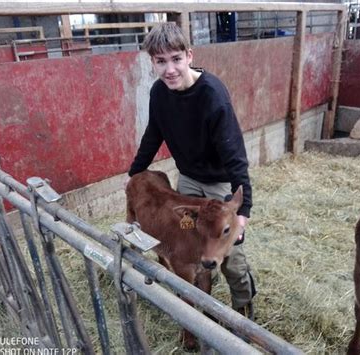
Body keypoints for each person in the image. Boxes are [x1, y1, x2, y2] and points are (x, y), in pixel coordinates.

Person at [128, 22, 256, 319]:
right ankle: (200, 303)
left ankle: (245, 310)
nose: (169, 69)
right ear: (153, 63)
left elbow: (234, 153)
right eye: (161, 61)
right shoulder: (159, 93)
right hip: (187, 180)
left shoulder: (212, 94)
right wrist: (135, 173)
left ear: (189, 55)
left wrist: (243, 209)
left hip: (220, 185)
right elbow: (153, 133)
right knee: (189, 239)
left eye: (175, 59)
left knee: (231, 255)